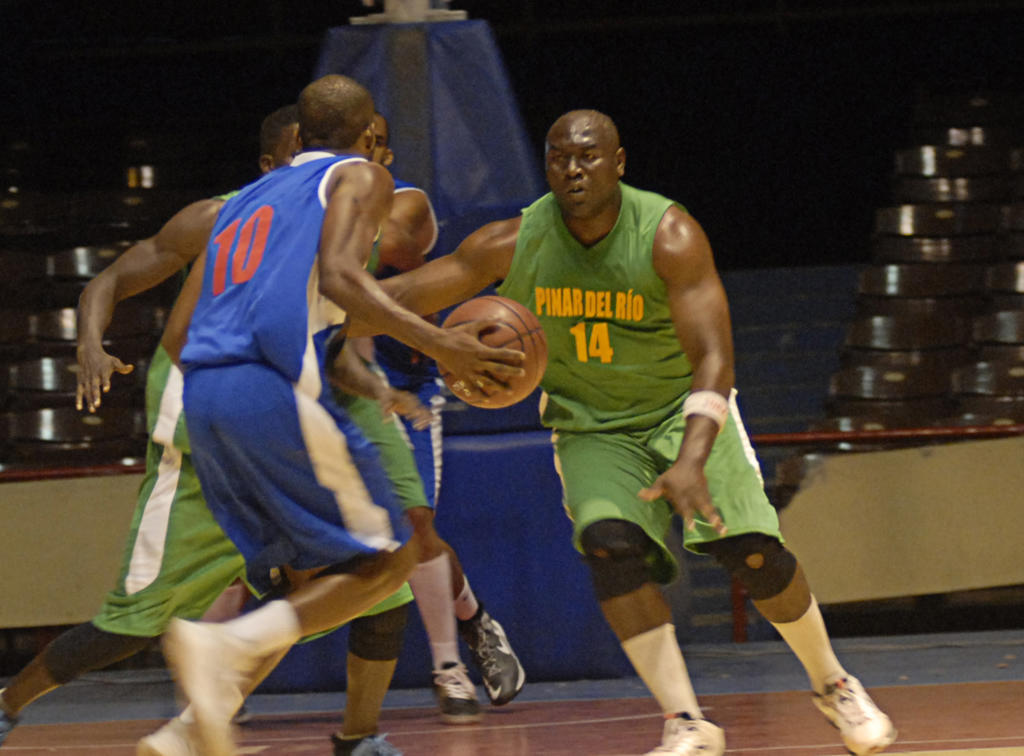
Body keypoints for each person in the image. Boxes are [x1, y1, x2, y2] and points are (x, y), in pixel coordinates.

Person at [364, 109, 898, 756]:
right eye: (559, 157)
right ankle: (687, 721)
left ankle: (834, 683)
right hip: (591, 425)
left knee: (753, 555)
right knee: (610, 550)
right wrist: (332, 303)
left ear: (619, 162)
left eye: (588, 156)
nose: (573, 168)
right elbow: (407, 294)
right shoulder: (517, 239)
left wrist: (693, 454)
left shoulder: (668, 234)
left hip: (682, 409)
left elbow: (715, 360)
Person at [0, 104, 423, 756]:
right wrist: (90, 338)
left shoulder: (340, 212)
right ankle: (9, 704)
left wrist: (378, 382)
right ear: (268, 165)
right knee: (129, 629)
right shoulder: (224, 216)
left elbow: (336, 317)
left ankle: (353, 736)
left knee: (370, 588)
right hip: (204, 444)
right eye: (290, 158)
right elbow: (112, 279)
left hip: (272, 426)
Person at [159, 74, 522, 756]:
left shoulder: (245, 201)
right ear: (365, 137)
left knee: (313, 584)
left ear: (296, 137)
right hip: (271, 392)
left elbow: (178, 337)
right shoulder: (361, 176)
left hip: (203, 399)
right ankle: (221, 647)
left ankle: (185, 732)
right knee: (389, 561)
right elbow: (340, 278)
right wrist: (440, 341)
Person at [355, 111, 526, 723]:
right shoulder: (310, 209)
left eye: (374, 142)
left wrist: (314, 232)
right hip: (323, 382)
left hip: (404, 385)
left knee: (414, 525)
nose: (363, 152)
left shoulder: (407, 206)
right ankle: (214, 686)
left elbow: (389, 247)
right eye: (352, 143)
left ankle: (453, 659)